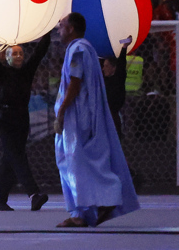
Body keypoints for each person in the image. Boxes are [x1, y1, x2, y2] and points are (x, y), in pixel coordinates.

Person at [53, 13, 140, 227]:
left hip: (76, 115)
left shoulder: (77, 50)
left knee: (74, 161)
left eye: (62, 25)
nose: (58, 28)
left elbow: (74, 83)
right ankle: (81, 212)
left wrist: (62, 111)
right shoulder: (88, 49)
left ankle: (103, 200)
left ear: (72, 28)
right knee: (80, 162)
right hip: (84, 114)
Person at [0, 25, 52, 211]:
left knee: (10, 160)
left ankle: (0, 201)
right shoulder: (1, 72)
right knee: (18, 157)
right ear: (7, 57)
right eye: (14, 54)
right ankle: (34, 194)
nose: (18, 56)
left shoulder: (27, 72)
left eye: (20, 53)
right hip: (6, 119)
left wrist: (47, 30)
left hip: (22, 119)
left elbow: (40, 53)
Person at [102, 39, 132, 138]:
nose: (103, 68)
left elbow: (121, 65)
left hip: (112, 113)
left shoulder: (118, 78)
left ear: (113, 68)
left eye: (106, 66)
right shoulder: (103, 80)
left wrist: (124, 48)